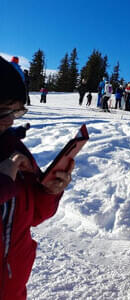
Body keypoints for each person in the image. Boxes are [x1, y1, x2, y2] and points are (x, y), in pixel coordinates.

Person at [0, 56, 74, 300]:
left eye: (16, 111)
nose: (10, 121)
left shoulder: (15, 149)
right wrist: (4, 181)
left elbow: (34, 216)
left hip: (13, 285)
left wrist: (49, 191)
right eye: (3, 111)